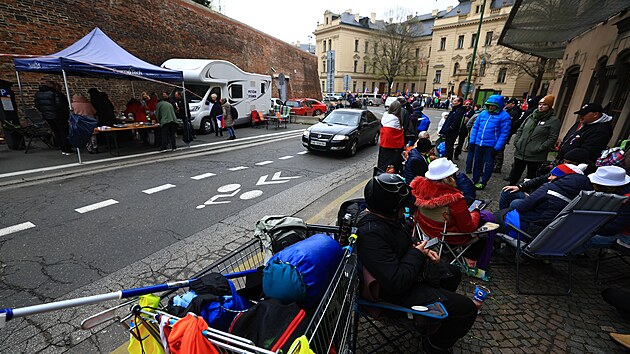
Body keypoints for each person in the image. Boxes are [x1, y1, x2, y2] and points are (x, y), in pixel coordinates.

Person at [356, 172, 478, 354]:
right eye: (401, 207)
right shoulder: (370, 233)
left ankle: (431, 320)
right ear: (390, 208)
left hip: (407, 269)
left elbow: (400, 238)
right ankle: (434, 345)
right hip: (392, 291)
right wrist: (416, 253)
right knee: (466, 310)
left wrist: (421, 248)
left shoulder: (386, 219)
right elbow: (396, 282)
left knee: (453, 273)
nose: (404, 210)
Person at [411, 158, 486, 266]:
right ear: (449, 178)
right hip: (448, 235)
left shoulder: (418, 187)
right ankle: (471, 260)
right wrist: (475, 213)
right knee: (484, 226)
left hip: (426, 229)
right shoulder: (455, 199)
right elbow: (467, 228)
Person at [498, 163, 593, 237]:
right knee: (509, 194)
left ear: (564, 177)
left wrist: (531, 197)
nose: (549, 177)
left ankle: (504, 225)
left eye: (553, 175)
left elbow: (522, 208)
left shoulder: (550, 187)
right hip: (552, 232)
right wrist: (521, 187)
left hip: (531, 227)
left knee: (512, 205)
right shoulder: (584, 195)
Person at [499, 147, 592, 209]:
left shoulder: (580, 181)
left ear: (580, 165)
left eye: (570, 163)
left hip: (545, 205)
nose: (566, 165)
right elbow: (542, 179)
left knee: (516, 203)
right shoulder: (562, 170)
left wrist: (532, 197)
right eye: (565, 162)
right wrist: (521, 187)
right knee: (507, 191)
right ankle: (502, 215)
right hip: (539, 197)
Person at [571, 166, 630, 253]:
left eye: (597, 186)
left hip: (625, 236)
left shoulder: (627, 200)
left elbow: (613, 228)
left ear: (611, 188)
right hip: (616, 228)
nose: (594, 188)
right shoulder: (619, 192)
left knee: (580, 239)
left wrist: (587, 228)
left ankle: (562, 256)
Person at [506, 94, 561, 185]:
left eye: (544, 104)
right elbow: (520, 129)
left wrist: (539, 148)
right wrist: (517, 142)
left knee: (531, 176)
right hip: (521, 151)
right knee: (515, 175)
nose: (541, 106)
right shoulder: (532, 116)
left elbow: (552, 138)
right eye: (540, 104)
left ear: (549, 106)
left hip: (535, 155)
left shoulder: (553, 120)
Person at [467, 95, 512, 190]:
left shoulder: (504, 116)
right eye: (489, 105)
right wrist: (472, 142)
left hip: (491, 146)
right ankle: (475, 180)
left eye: (493, 105)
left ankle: (483, 182)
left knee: (488, 164)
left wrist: (497, 147)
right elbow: (475, 128)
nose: (491, 107)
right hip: (479, 143)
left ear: (498, 105)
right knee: (477, 163)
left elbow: (504, 134)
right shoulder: (483, 114)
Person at [34, 81, 72, 155]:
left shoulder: (38, 94)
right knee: (63, 131)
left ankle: (62, 148)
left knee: (56, 131)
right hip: (59, 115)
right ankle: (66, 148)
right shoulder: (55, 93)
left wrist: (44, 112)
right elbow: (60, 105)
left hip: (47, 116)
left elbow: (37, 105)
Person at [494, 97, 524, 173]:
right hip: (504, 133)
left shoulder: (514, 112)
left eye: (508, 103)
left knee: (499, 150)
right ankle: (496, 165)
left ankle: (497, 166)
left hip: (504, 134)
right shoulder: (510, 111)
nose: (506, 105)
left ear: (512, 104)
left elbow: (511, 125)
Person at [377, 100, 405, 173]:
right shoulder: (397, 121)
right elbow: (400, 134)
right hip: (395, 149)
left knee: (382, 166)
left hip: (384, 146)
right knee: (393, 168)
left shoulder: (385, 118)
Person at [438, 97, 465, 161]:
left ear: (459, 102)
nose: (453, 102)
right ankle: (447, 158)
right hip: (449, 131)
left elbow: (456, 122)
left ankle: (448, 159)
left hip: (452, 132)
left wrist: (449, 129)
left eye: (455, 101)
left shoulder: (458, 111)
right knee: (448, 145)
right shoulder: (455, 110)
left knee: (449, 146)